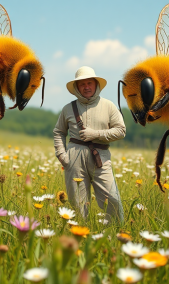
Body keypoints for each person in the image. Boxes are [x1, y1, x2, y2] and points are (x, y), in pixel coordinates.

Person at [53, 66, 125, 222]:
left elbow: (121, 131)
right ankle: (80, 236)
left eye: (89, 83)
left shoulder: (109, 106)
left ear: (96, 84)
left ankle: (113, 234)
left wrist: (97, 134)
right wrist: (61, 154)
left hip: (101, 158)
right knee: (77, 204)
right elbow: (59, 132)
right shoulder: (68, 109)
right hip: (73, 158)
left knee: (112, 199)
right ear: (77, 88)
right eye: (82, 84)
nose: (86, 87)